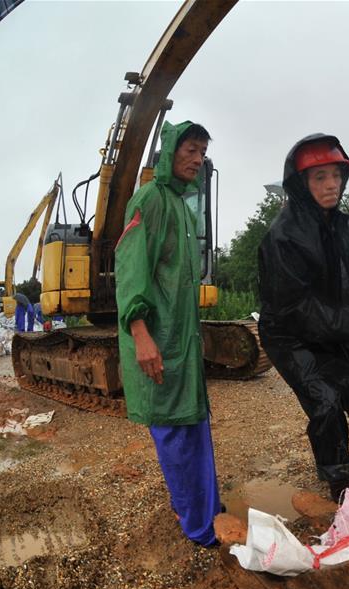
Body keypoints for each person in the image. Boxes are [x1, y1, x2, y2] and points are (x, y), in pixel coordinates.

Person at [257, 134, 349, 502]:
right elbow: (299, 311)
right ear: (302, 183)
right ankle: (339, 478)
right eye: (320, 177)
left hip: (338, 322)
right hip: (291, 334)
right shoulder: (282, 237)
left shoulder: (342, 223)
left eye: (336, 175)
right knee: (324, 400)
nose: (331, 185)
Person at [115, 120, 222, 547]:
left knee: (194, 424)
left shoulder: (181, 203)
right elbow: (130, 269)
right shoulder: (151, 199)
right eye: (190, 149)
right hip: (159, 339)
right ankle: (197, 527)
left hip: (182, 341)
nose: (197, 158)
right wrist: (140, 333)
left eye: (201, 152)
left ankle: (209, 510)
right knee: (175, 433)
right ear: (170, 151)